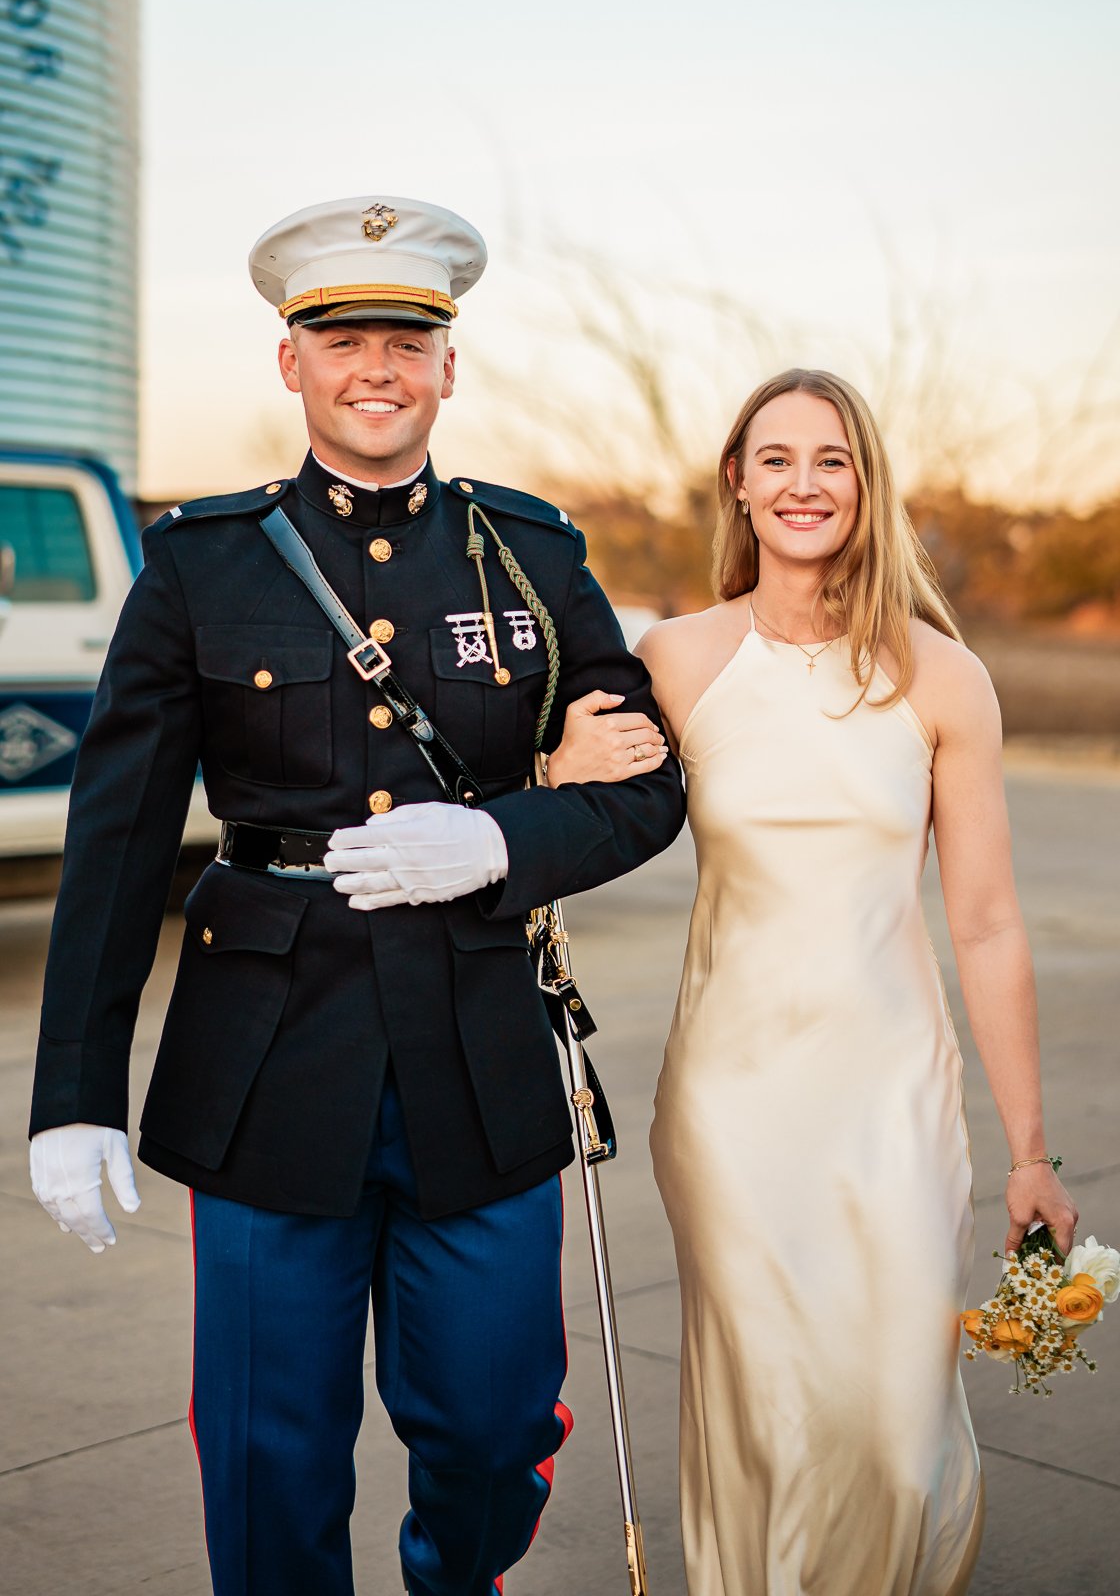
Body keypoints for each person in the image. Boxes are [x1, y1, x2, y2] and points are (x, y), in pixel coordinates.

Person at [27, 194, 684, 1596]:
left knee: (495, 1429)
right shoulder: (200, 561)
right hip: (266, 1060)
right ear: (292, 364)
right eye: (342, 341)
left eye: (408, 341)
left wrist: (500, 841)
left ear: (450, 365)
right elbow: (120, 841)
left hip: (480, 1044)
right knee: (270, 1454)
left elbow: (647, 785)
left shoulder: (531, 553)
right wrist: (73, 1087)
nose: (375, 369)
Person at [547, 368, 1079, 1596]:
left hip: (894, 1098)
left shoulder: (943, 677)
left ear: (865, 483)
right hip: (732, 1107)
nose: (802, 484)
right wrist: (565, 754)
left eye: (830, 459)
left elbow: (988, 924)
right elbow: (567, 813)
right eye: (774, 458)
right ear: (736, 480)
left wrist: (1029, 1151)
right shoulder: (673, 658)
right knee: (773, 1420)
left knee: (897, 1436)